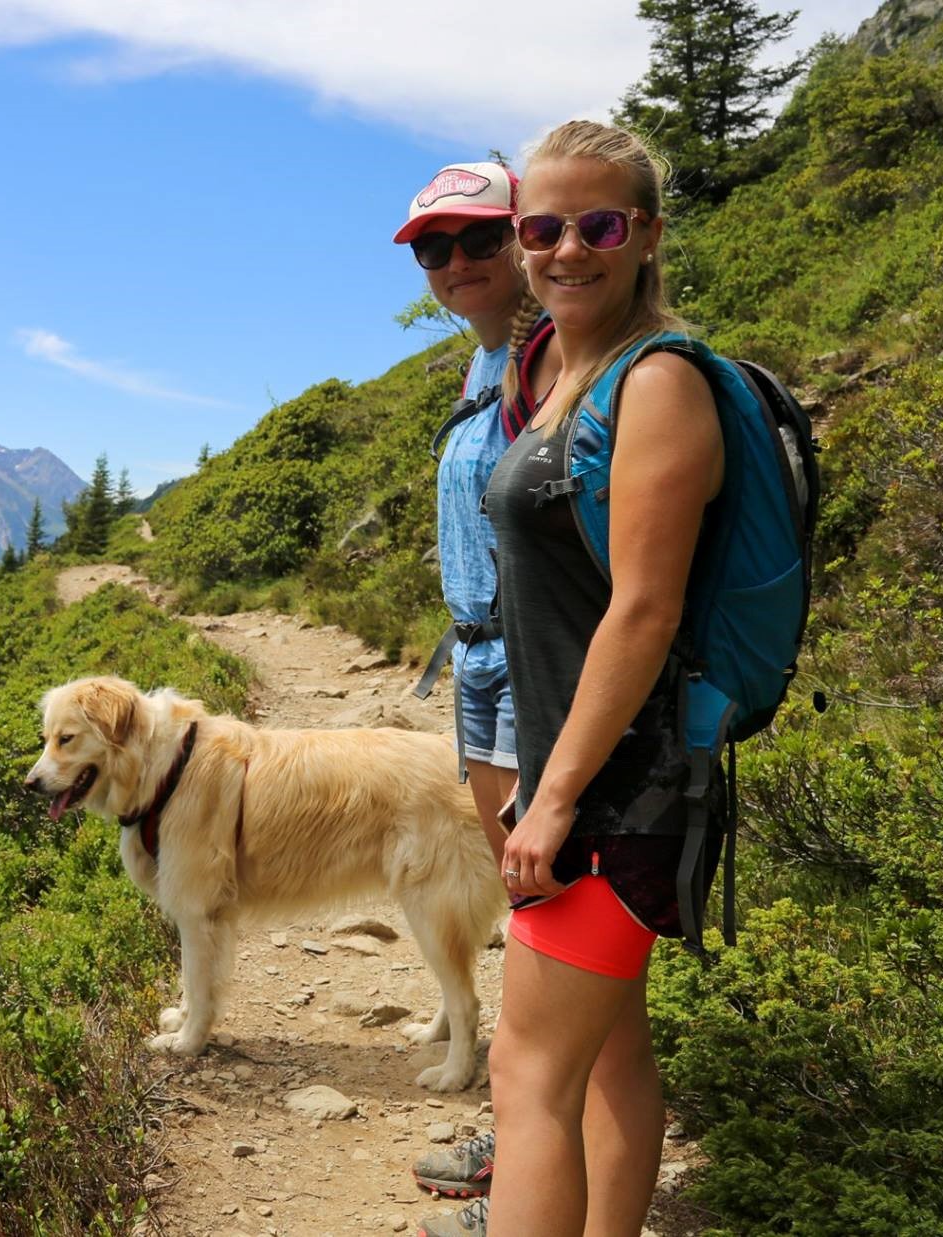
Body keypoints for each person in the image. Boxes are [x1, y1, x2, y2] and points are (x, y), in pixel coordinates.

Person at [419, 119, 724, 1237]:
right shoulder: (553, 369)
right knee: (606, 1046)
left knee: (527, 1075)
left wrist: (548, 803)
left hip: (616, 789)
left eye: (596, 225)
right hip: (591, 773)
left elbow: (641, 612)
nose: (563, 250)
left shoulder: (656, 385)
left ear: (643, 234)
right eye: (540, 228)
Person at [393, 161, 549, 1207]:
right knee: (528, 915)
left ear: (522, 236)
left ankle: (537, 1180)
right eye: (431, 248)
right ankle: (524, 1144)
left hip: (537, 670)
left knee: (555, 920)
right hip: (484, 666)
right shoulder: (484, 363)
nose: (454, 263)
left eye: (477, 239)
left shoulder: (553, 365)